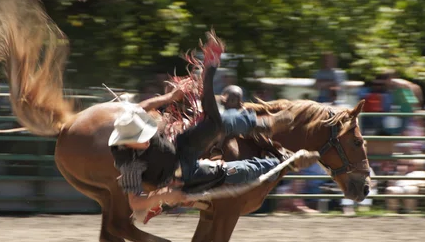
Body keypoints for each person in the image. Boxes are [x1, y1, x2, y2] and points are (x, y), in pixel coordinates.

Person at [109, 34, 320, 213]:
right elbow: (135, 203)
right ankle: (285, 161)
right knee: (233, 171)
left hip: (181, 144)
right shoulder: (129, 165)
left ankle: (266, 124)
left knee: (215, 125)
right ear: (128, 143)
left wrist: (170, 97)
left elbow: (142, 106)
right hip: (182, 172)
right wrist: (163, 196)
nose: (147, 139)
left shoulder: (131, 118)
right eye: (142, 139)